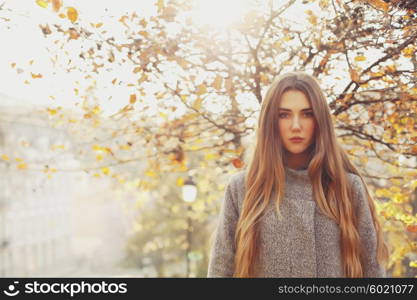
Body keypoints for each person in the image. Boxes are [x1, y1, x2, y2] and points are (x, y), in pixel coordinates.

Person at [207, 71, 389, 278]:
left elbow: (373, 275)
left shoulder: (348, 189)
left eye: (307, 114)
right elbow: (220, 271)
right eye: (284, 115)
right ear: (271, 122)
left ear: (319, 120)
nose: (296, 126)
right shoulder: (242, 188)